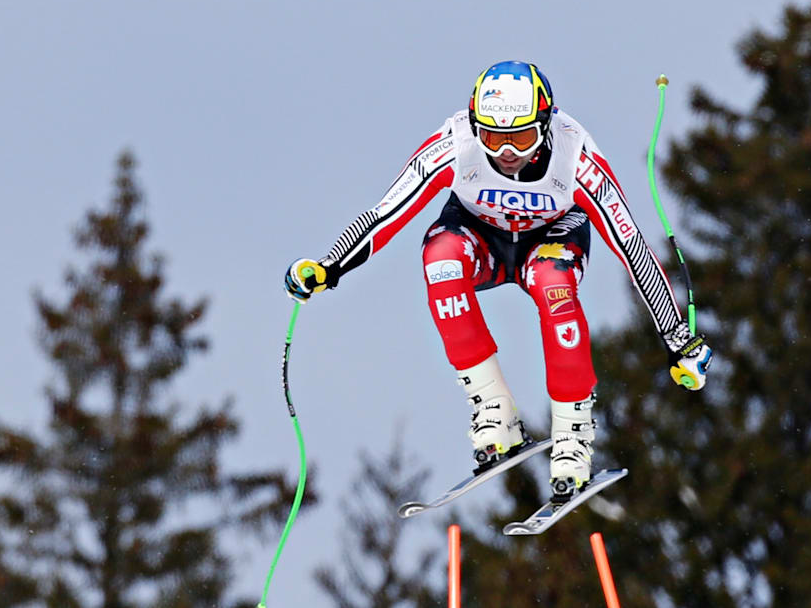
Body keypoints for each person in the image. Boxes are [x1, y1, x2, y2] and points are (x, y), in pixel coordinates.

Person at [284, 61, 712, 499]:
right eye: (492, 138)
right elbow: (387, 214)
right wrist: (330, 266)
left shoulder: (576, 157)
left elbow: (632, 248)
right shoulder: (455, 144)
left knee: (553, 284)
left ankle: (572, 431)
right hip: (481, 239)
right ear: (475, 127)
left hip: (550, 240)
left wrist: (677, 339)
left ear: (545, 125)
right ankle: (494, 410)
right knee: (440, 258)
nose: (507, 153)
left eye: (521, 138)